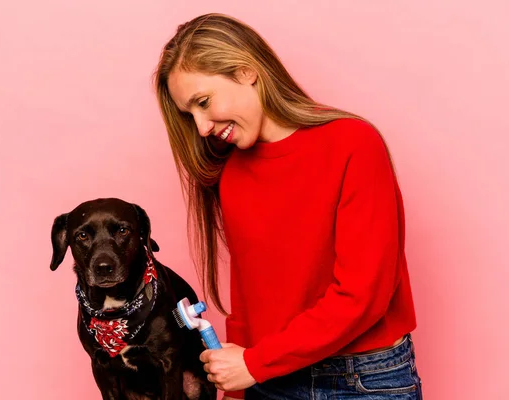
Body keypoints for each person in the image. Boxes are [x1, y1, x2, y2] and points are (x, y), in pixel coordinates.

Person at [154, 13, 423, 400]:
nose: (201, 128)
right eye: (189, 114)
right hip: (266, 379)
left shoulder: (353, 144)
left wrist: (254, 365)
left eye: (203, 102)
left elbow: (362, 295)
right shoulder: (233, 173)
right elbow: (246, 301)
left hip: (361, 379)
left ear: (247, 71)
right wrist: (237, 388)